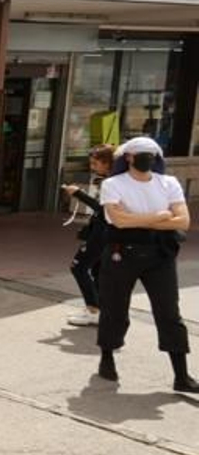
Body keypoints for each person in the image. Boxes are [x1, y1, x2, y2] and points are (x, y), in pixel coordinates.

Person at [95, 137, 199, 393]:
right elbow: (118, 221)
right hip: (122, 253)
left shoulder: (169, 183)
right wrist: (159, 216)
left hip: (160, 255)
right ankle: (107, 358)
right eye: (142, 154)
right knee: (114, 308)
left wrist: (140, 220)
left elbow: (183, 221)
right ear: (128, 157)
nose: (147, 158)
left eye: (152, 155)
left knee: (169, 313)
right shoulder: (112, 184)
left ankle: (181, 376)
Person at [63, 144, 114, 327]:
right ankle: (97, 309)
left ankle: (93, 310)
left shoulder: (112, 183)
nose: (92, 167)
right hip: (104, 231)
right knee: (96, 270)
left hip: (103, 232)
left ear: (108, 163)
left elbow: (104, 209)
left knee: (78, 267)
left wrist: (79, 194)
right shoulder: (110, 180)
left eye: (95, 163)